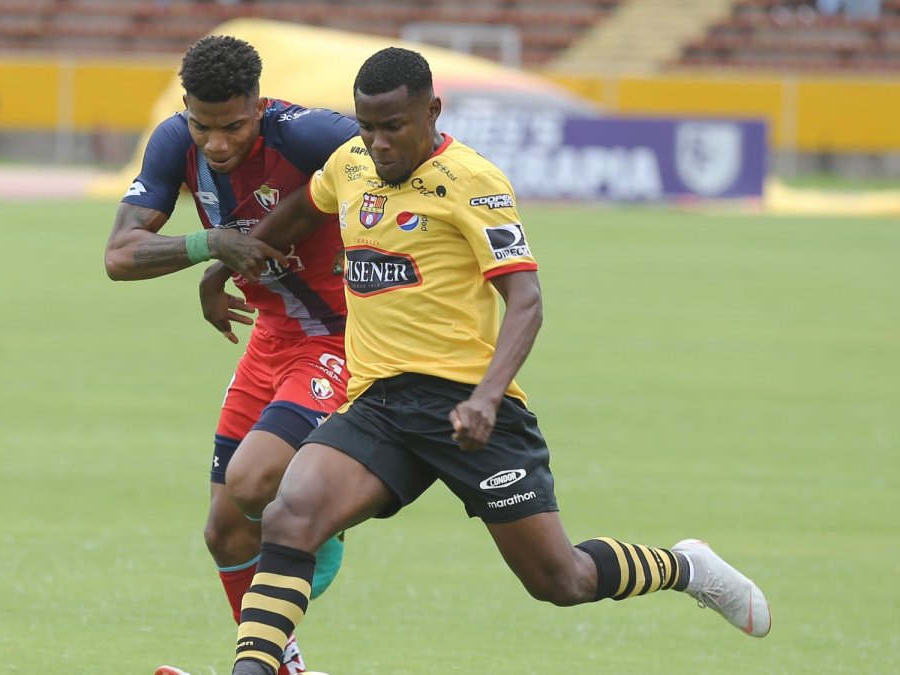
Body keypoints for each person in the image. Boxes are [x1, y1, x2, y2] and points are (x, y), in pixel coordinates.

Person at [165, 47, 772, 675]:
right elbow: (300, 209)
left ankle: (687, 567)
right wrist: (224, 266)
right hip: (378, 406)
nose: (378, 143)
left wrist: (486, 397)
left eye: (393, 127)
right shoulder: (349, 164)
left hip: (468, 409)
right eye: (367, 127)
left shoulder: (474, 182)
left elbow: (527, 301)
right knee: (290, 515)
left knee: (560, 579)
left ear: (432, 111)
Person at [102, 35, 360, 675]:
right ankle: (282, 664)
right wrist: (211, 248)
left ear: (258, 104)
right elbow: (119, 255)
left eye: (233, 127)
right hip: (269, 339)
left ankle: (324, 519)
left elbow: (396, 159)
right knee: (224, 531)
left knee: (252, 484)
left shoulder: (306, 134)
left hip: (339, 338)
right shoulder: (174, 142)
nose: (216, 143)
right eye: (203, 125)